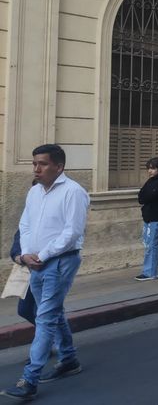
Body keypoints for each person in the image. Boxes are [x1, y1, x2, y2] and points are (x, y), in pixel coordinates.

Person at [1, 145, 89, 402]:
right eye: (34, 164)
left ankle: (29, 379)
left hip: (60, 262)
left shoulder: (74, 192)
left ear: (58, 167)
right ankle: (69, 359)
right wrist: (27, 254)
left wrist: (43, 255)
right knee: (52, 312)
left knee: (46, 316)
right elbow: (25, 225)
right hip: (35, 262)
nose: (36, 169)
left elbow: (72, 232)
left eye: (42, 164)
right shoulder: (35, 192)